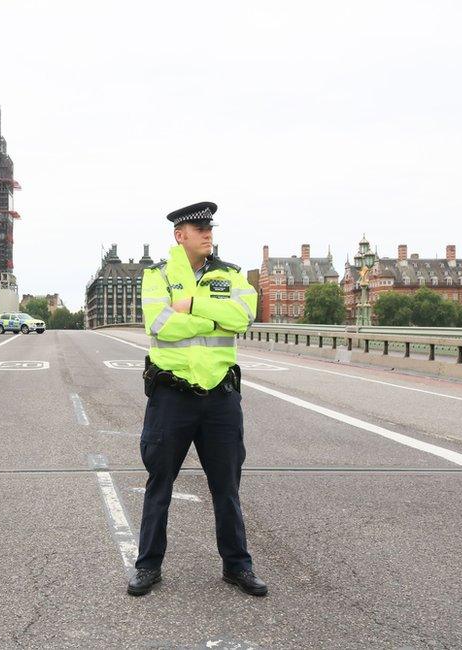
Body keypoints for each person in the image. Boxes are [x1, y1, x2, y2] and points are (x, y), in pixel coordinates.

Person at [127, 202, 267, 598]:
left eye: (210, 227)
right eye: (198, 227)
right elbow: (160, 324)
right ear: (179, 235)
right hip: (172, 396)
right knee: (160, 484)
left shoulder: (232, 274)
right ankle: (148, 566)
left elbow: (243, 316)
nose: (208, 233)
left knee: (227, 486)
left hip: (220, 396)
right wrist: (215, 316)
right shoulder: (157, 276)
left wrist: (191, 306)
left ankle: (237, 566)